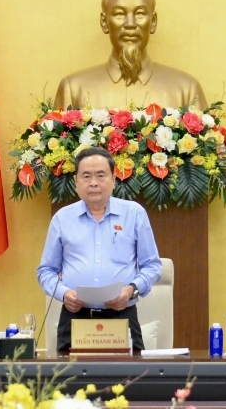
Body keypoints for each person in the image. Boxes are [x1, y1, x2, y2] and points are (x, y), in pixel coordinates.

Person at [37, 146, 162, 353]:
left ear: (114, 179)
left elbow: (152, 266)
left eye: (100, 175)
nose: (93, 182)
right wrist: (63, 293)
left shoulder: (134, 214)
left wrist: (131, 290)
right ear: (76, 181)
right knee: (70, 383)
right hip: (75, 317)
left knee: (128, 382)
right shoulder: (62, 218)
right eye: (86, 176)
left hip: (121, 315)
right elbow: (45, 271)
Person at [53, 0, 207, 110]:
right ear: (104, 22)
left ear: (153, 22)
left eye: (140, 14)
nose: (130, 24)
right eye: (119, 14)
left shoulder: (186, 90)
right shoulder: (73, 90)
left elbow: (207, 143)